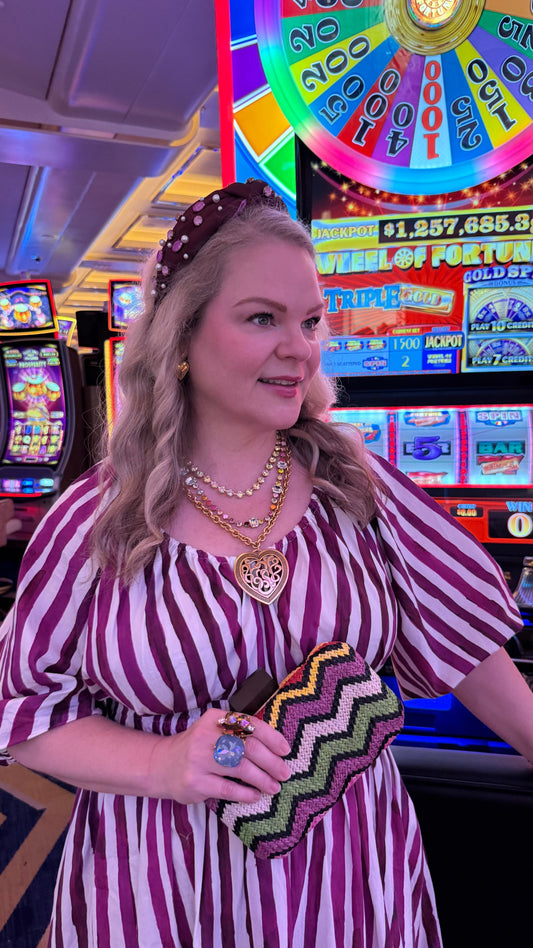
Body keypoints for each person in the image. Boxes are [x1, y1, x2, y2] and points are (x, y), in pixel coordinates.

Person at [0, 178, 532, 948]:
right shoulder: (96, 519)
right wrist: (161, 764)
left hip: (348, 875)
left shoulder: (359, 483)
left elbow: (467, 647)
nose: (299, 347)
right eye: (262, 319)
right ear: (181, 338)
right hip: (160, 884)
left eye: (310, 321)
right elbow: (23, 715)